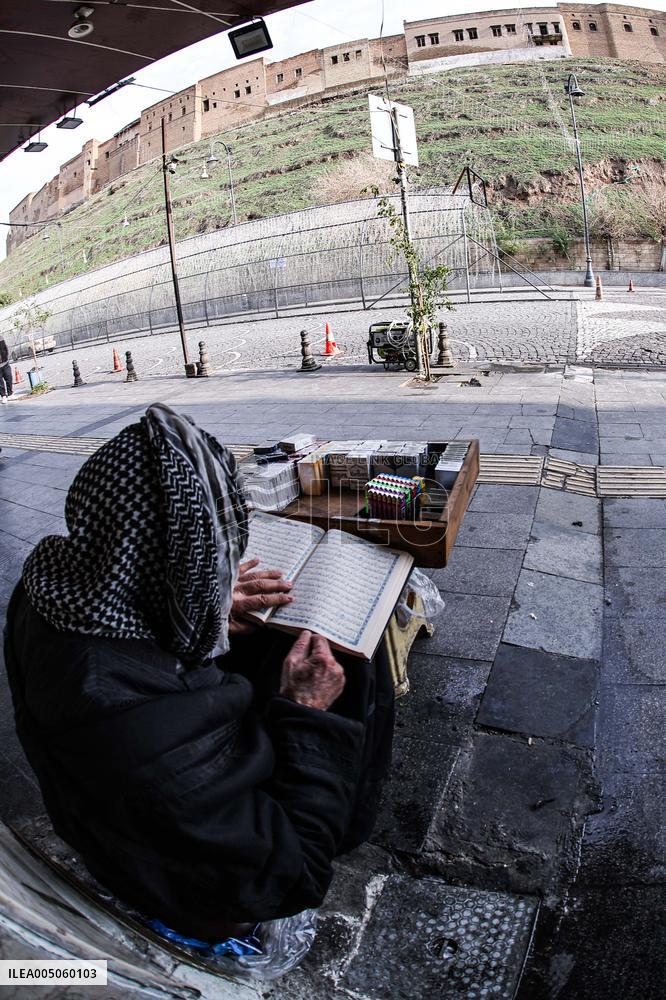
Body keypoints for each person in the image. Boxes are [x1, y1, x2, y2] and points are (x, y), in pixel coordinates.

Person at [4, 403, 394, 948]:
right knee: (352, 675)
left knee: (271, 647)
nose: (227, 564)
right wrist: (306, 712)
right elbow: (293, 872)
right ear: (182, 565)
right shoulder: (150, 734)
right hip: (188, 882)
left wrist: (201, 607)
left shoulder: (49, 585)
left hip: (108, 797)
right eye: (216, 557)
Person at [0, 337, 13, 402]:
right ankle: (3, 396)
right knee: (0, 383)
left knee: (9, 378)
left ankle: (10, 394)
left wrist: (7, 358)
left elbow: (7, 348)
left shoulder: (1, 338)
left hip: (5, 364)